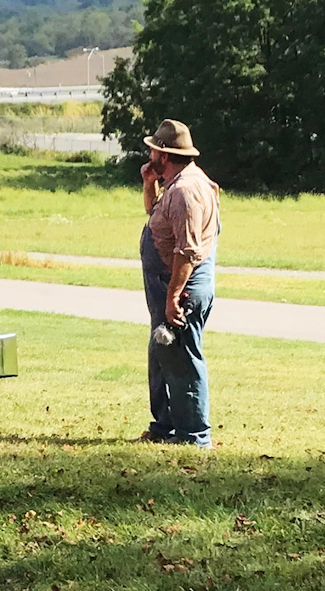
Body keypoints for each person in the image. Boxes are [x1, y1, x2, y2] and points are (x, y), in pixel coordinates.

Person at [137, 118, 220, 447]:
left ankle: (194, 436)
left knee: (183, 359)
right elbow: (154, 213)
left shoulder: (186, 191)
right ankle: (165, 426)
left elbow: (187, 251)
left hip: (180, 287)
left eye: (155, 151)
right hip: (168, 285)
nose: (150, 155)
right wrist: (149, 184)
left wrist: (173, 298)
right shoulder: (178, 181)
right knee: (162, 355)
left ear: (165, 156)